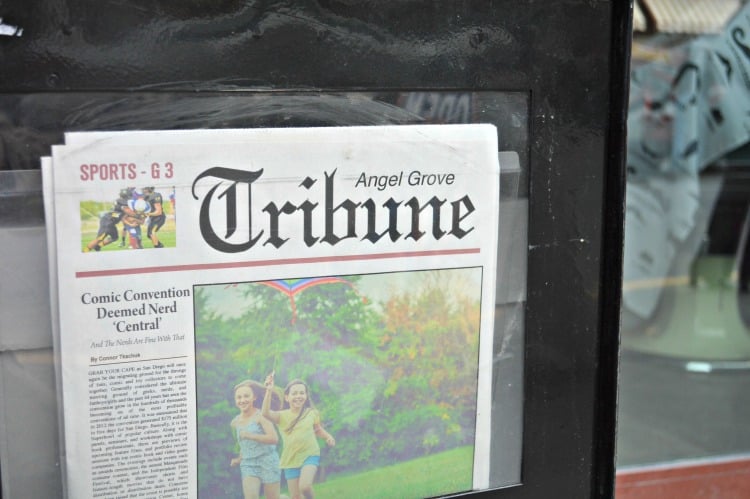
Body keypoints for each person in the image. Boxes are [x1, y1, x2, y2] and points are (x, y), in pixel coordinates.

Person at [262, 373, 335, 499]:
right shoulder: (281, 416)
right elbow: (265, 413)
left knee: (305, 487)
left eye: (301, 393)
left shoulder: (312, 413)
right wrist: (268, 390)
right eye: (294, 393)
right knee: (296, 497)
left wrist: (328, 436)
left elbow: (317, 430)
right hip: (290, 460)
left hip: (310, 454)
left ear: (306, 396)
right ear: (287, 397)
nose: (298, 396)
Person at [230, 380, 281, 499]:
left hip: (268, 461)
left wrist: (251, 435)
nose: (242, 400)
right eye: (239, 397)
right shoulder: (235, 422)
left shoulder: (261, 416)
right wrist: (239, 459)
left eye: (246, 396)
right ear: (235, 400)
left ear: (254, 397)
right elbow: (244, 446)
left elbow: (274, 438)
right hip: (249, 464)